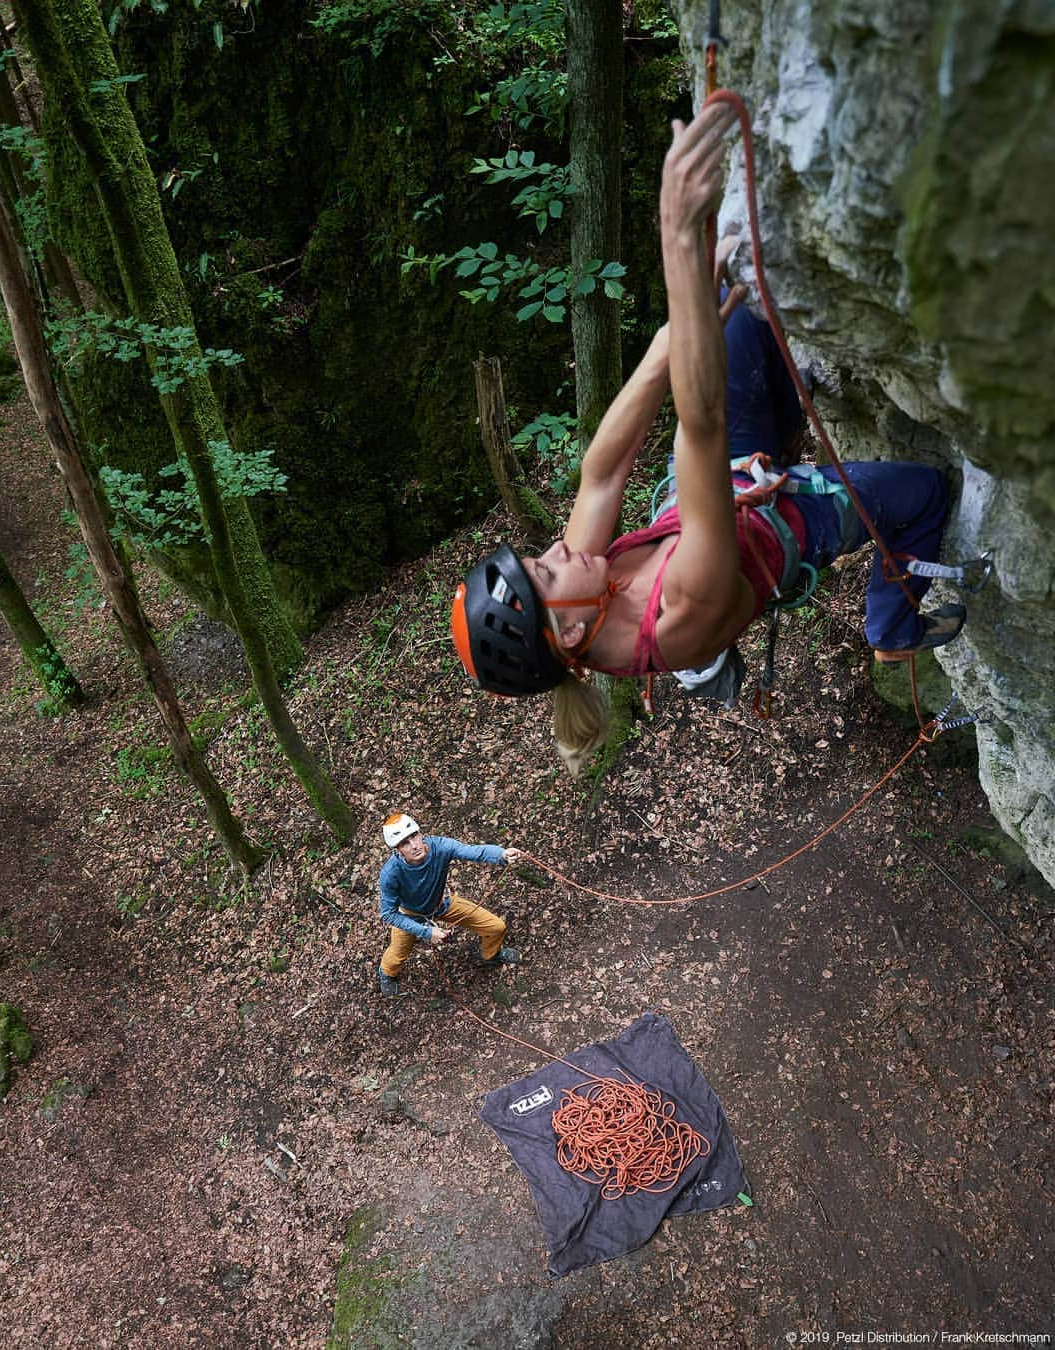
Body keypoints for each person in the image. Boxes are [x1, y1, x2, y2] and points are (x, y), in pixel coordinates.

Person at [451, 102, 966, 774]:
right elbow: (701, 423)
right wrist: (677, 236)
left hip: (719, 481)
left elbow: (602, 474)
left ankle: (791, 394)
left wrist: (670, 346)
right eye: (547, 569)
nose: (557, 548)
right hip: (788, 522)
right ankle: (891, 629)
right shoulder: (679, 622)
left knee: (746, 312)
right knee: (925, 495)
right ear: (570, 631)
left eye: (540, 557)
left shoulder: (580, 590)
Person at [376, 812, 522, 997]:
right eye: (405, 843)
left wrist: (501, 854)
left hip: (442, 903)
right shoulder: (391, 873)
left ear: (421, 834)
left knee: (496, 927)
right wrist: (427, 932)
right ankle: (387, 974)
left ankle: (491, 954)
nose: (414, 845)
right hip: (410, 914)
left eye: (414, 836)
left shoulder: (440, 847)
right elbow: (388, 914)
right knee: (396, 956)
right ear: (397, 850)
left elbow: (474, 851)